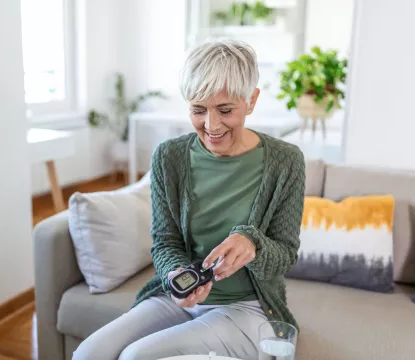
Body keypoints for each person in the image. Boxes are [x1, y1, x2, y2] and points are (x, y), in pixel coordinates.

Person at [73, 39, 306, 360]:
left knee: (136, 356)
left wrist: (253, 244)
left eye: (225, 110)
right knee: (88, 354)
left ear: (251, 101)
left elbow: (286, 253)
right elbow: (165, 242)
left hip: (248, 307)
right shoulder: (169, 157)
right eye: (198, 110)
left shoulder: (286, 161)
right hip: (180, 300)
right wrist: (175, 277)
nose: (211, 125)